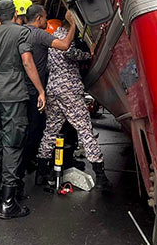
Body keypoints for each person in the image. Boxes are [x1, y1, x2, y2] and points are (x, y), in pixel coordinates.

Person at [0, 0, 45, 219]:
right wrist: (40, 90)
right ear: (15, 13)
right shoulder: (21, 33)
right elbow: (27, 62)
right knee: (13, 145)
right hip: (14, 95)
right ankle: (9, 202)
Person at [36, 20, 112, 190]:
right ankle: (100, 176)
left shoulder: (47, 41)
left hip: (53, 89)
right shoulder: (63, 36)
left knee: (50, 131)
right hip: (69, 89)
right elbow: (70, 53)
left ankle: (40, 173)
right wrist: (89, 55)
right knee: (85, 130)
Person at [21, 5, 78, 183]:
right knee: (36, 129)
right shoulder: (40, 34)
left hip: (16, 90)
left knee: (21, 130)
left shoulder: (20, 32)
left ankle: (23, 166)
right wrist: (74, 25)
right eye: (45, 17)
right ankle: (26, 166)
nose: (46, 21)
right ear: (38, 18)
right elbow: (64, 45)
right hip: (33, 91)